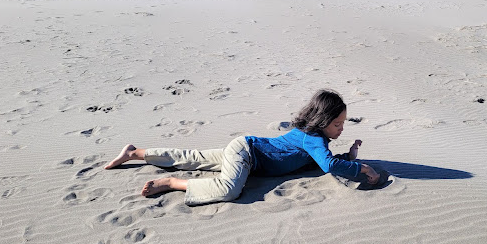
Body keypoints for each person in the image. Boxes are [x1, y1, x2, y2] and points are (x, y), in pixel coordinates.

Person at [105, 89, 380, 205]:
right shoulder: (314, 139)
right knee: (228, 189)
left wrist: (349, 155)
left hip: (244, 149)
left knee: (194, 157)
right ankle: (171, 183)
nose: (341, 129)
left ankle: (135, 152)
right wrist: (360, 168)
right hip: (246, 155)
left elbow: (325, 161)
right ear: (321, 121)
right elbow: (329, 165)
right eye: (336, 124)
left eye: (343, 123)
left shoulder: (311, 137)